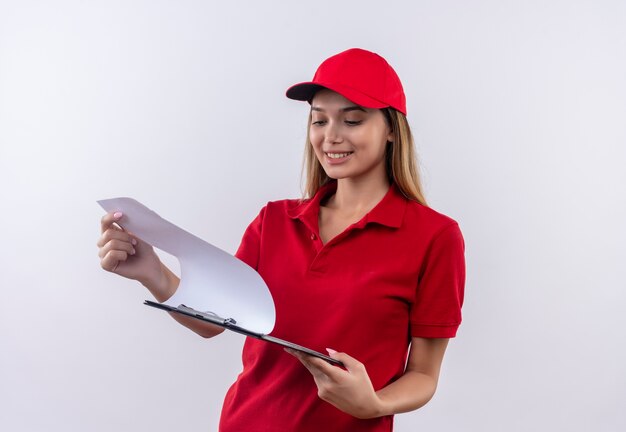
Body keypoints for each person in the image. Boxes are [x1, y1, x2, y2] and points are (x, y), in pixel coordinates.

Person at [97, 48, 465, 431]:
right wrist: (151, 271)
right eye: (318, 120)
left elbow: (423, 375)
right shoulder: (274, 220)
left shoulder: (435, 237)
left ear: (392, 129)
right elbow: (214, 321)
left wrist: (372, 404)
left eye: (352, 120)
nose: (331, 136)